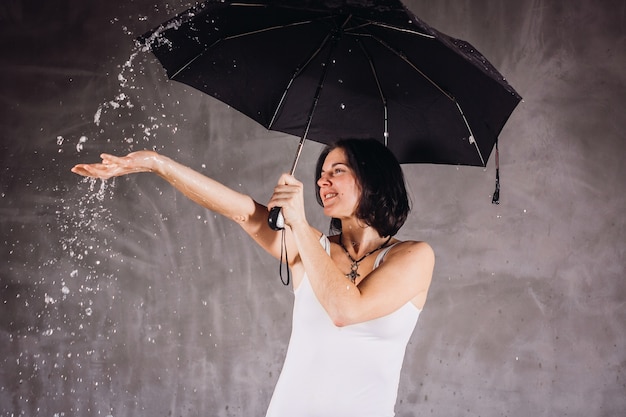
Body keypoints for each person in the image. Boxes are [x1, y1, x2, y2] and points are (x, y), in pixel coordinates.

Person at [71, 138, 435, 417]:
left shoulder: (413, 257)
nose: (322, 182)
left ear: (372, 179)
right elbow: (241, 210)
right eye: (321, 174)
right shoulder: (310, 246)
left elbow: (345, 309)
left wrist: (298, 224)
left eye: (337, 170)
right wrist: (157, 163)